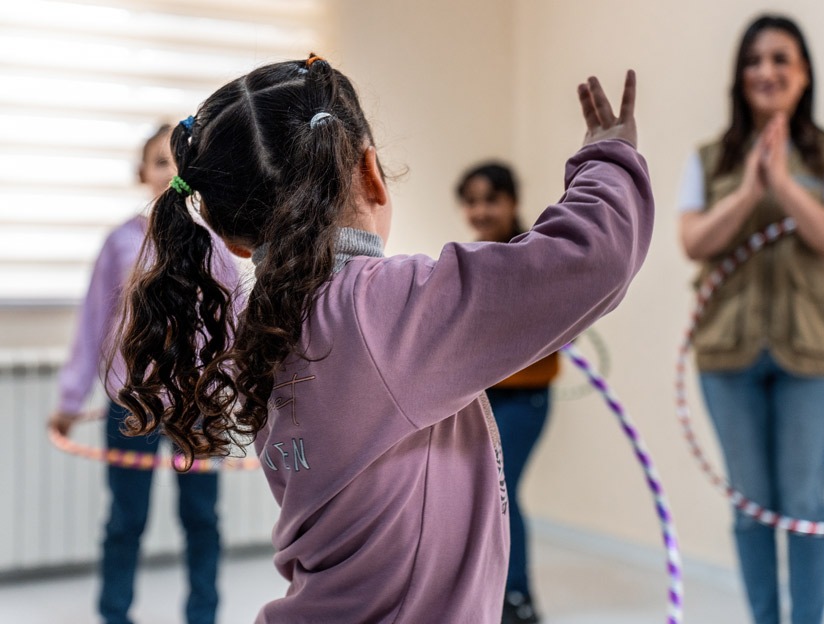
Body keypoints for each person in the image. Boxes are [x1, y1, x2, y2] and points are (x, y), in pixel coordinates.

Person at [113, 54, 653, 623]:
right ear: (371, 173)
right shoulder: (384, 309)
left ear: (234, 239)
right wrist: (608, 154)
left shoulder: (263, 328)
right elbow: (593, 257)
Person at [676, 14, 824, 624]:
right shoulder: (708, 159)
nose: (767, 71)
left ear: (804, 73)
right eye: (754, 60)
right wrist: (748, 189)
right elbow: (694, 241)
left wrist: (782, 180)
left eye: (781, 59)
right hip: (726, 354)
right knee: (750, 508)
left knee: (805, 504)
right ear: (739, 75)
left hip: (814, 355)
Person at [49, 124, 240, 624]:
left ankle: (204, 615)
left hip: (196, 405)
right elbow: (93, 322)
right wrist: (70, 399)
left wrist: (240, 389)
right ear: (142, 173)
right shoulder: (118, 243)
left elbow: (234, 322)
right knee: (124, 520)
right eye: (159, 161)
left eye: (179, 161)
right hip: (131, 402)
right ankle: (115, 614)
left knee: (201, 518)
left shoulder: (214, 243)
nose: (170, 171)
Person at [455, 162, 558, 624]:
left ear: (512, 201)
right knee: (482, 492)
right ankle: (489, 595)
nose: (480, 210)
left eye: (490, 199)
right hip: (483, 397)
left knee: (500, 490)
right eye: (472, 200)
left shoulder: (532, 254)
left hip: (525, 397)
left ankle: (516, 598)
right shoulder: (470, 259)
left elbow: (560, 318)